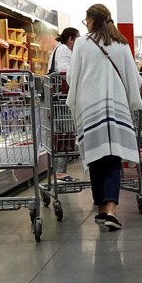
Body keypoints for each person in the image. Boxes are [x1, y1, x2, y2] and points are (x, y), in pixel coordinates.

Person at [66, 4, 142, 231]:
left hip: (89, 109)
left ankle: (106, 208)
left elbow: (72, 76)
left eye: (85, 20)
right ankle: (106, 209)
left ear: (90, 20)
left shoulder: (81, 43)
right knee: (112, 159)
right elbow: (134, 80)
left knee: (95, 158)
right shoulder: (122, 44)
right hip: (117, 108)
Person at [47, 27, 80, 182]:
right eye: (77, 39)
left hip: (57, 99)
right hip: (62, 99)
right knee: (65, 135)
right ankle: (60, 173)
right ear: (70, 39)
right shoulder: (65, 50)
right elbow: (64, 70)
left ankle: (58, 173)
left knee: (61, 135)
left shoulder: (58, 49)